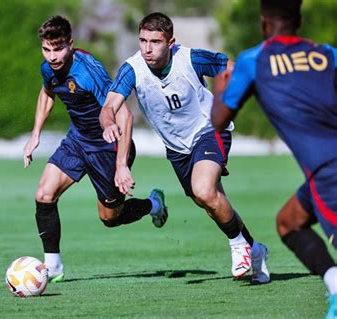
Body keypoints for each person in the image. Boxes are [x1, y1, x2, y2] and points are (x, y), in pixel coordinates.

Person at [100, 12, 270, 284]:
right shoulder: (132, 69)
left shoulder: (190, 58)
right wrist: (108, 123)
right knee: (211, 204)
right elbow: (108, 107)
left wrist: (230, 102)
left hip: (208, 131)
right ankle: (256, 249)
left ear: (171, 42)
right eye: (143, 40)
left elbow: (234, 69)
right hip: (177, 149)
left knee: (204, 191)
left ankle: (239, 245)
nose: (147, 48)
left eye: (155, 41)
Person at [211, 0, 337, 316]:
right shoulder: (328, 54)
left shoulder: (254, 60)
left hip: (329, 172)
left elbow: (218, 120)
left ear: (264, 23)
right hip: (325, 170)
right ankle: (335, 286)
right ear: (300, 20)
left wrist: (218, 87)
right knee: (289, 223)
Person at [23, 15, 168, 283]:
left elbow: (124, 116)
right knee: (44, 194)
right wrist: (35, 135)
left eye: (58, 49)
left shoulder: (89, 71)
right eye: (47, 49)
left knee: (110, 218)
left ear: (71, 44)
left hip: (108, 149)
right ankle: (53, 266)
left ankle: (153, 204)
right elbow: (47, 94)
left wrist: (122, 165)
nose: (52, 56)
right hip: (77, 142)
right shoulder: (48, 68)